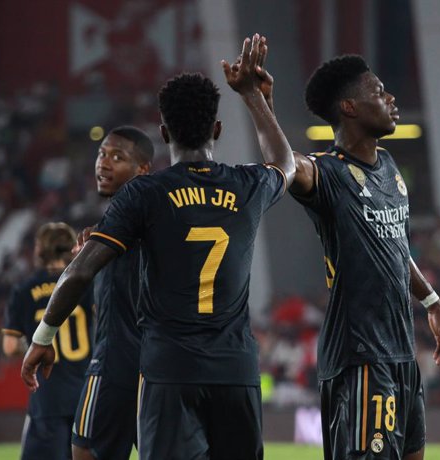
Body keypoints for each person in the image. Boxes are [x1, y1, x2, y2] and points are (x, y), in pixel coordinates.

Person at [21, 33, 294, 460]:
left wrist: (43, 336)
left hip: (169, 371)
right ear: (217, 129)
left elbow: (79, 271)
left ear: (164, 131)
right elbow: (286, 164)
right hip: (236, 368)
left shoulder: (144, 193)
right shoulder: (247, 185)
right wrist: (253, 98)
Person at [255, 53, 440, 459]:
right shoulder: (327, 172)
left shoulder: (387, 165)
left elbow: (395, 248)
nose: (391, 98)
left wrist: (432, 302)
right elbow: (281, 164)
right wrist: (258, 103)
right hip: (361, 356)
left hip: (401, 355)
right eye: (379, 92)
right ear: (349, 107)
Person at [71, 125, 153, 460]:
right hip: (157, 363)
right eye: (102, 153)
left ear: (142, 168)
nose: (103, 163)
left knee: (85, 451)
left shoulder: (125, 220)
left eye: (117, 157)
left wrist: (42, 337)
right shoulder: (152, 216)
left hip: (113, 361)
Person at [2, 222, 94, 460]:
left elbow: (10, 346)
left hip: (46, 396)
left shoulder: (24, 290)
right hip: (87, 394)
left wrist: (33, 348)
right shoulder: (87, 284)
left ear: (41, 250)